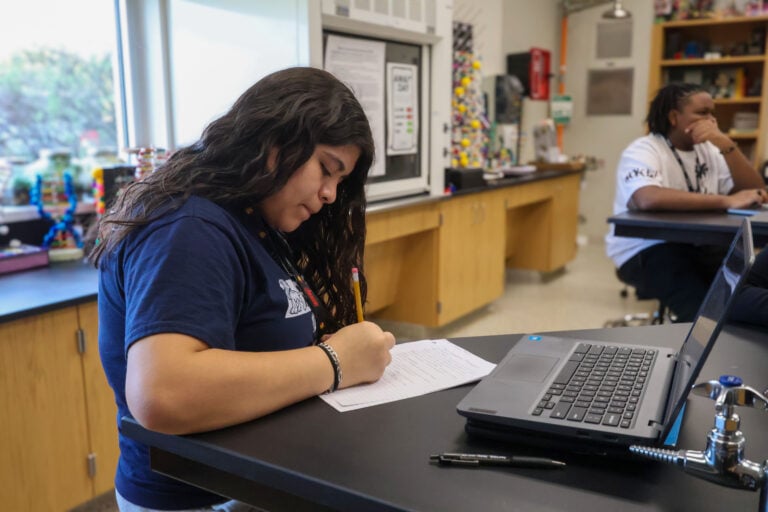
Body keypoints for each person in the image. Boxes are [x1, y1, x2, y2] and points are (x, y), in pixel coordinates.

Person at [90, 67, 396, 511]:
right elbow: (163, 393)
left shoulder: (255, 220)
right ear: (273, 144)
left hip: (251, 479)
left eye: (340, 182)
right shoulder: (189, 227)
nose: (331, 193)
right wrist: (334, 361)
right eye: (326, 169)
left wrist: (321, 351)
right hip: (199, 498)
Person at [605, 82, 767, 322]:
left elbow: (754, 189)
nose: (711, 121)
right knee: (704, 315)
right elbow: (647, 198)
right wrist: (726, 200)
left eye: (712, 114)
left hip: (701, 245)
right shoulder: (644, 149)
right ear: (674, 117)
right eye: (702, 113)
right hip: (648, 249)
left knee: (742, 295)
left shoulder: (710, 150)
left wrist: (725, 144)